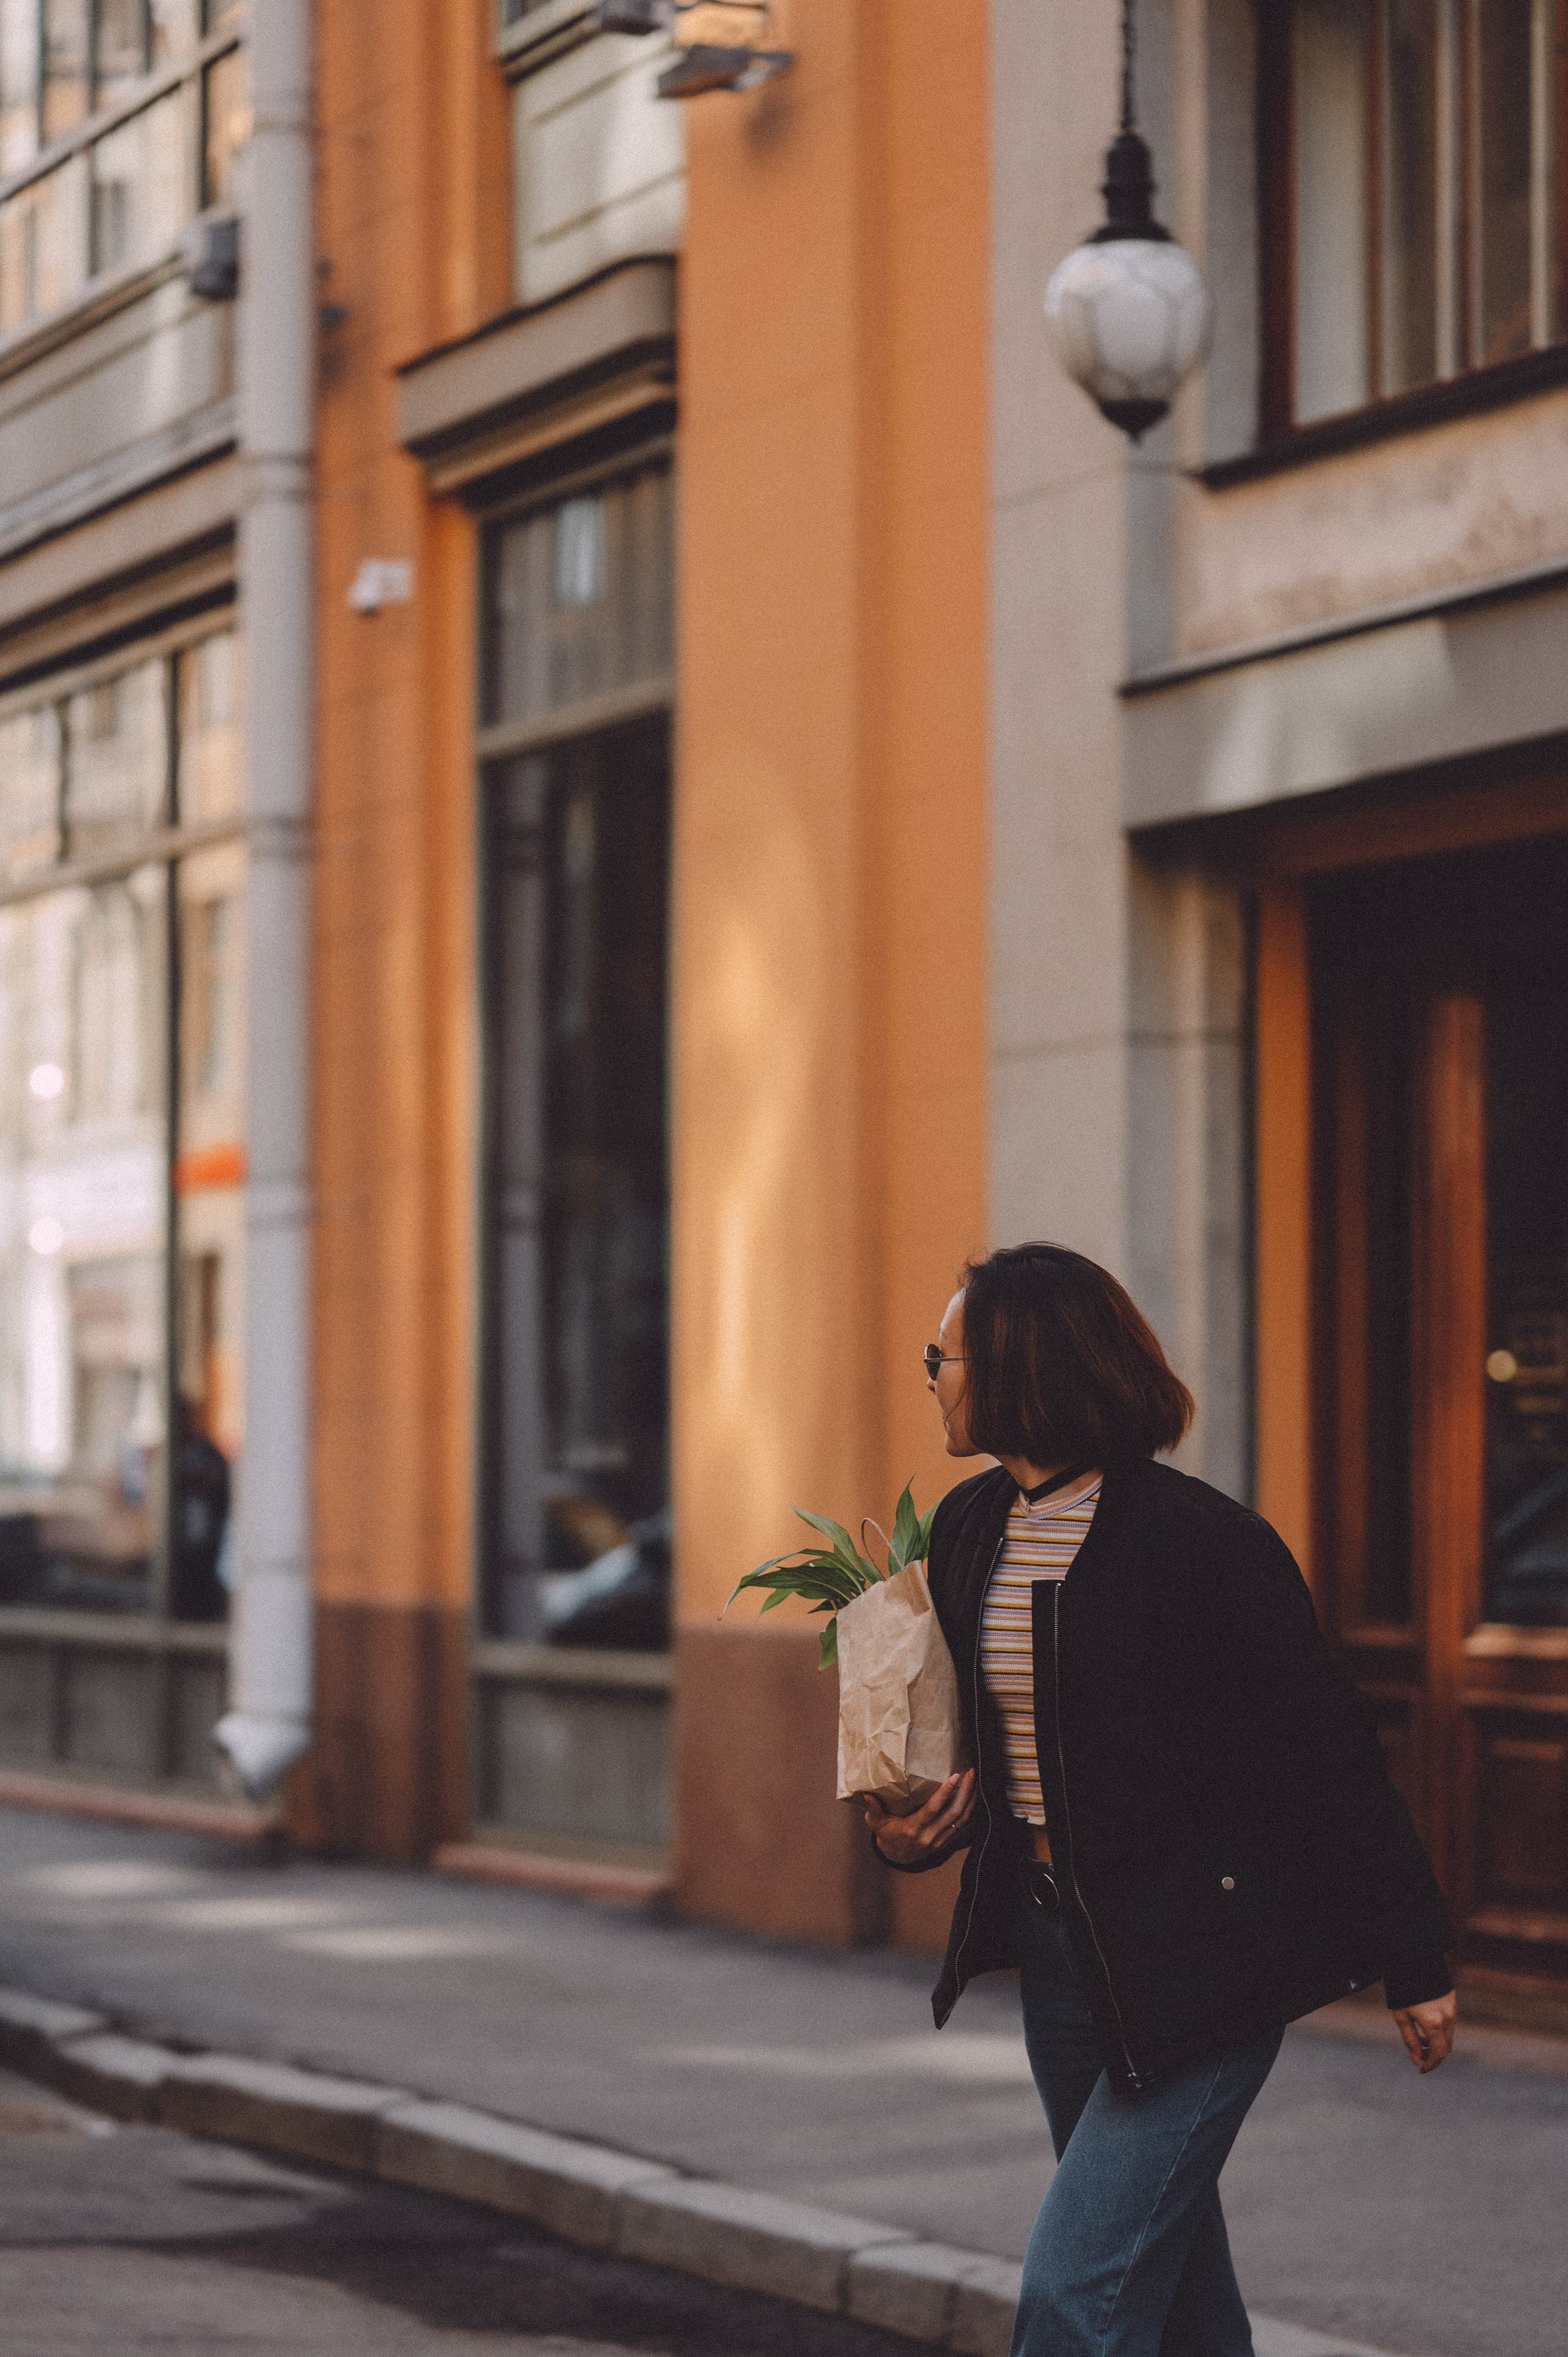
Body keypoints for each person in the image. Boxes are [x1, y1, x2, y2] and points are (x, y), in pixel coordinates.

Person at [866, 1242, 1457, 2357]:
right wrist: (900, 1837)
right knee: (1172, 2287)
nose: (931, 1375)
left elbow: (1324, 1754)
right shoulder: (968, 1529)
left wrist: (1413, 1955)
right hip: (1063, 1953)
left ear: (1019, 1367)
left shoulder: (1202, 1545)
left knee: (1073, 2295)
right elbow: (962, 1755)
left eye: (943, 1355)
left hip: (1207, 1959)